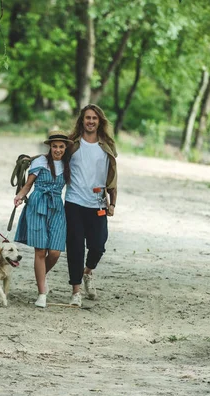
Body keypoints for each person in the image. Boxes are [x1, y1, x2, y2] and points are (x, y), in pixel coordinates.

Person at [65, 104, 118, 307]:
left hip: (97, 203)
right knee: (75, 246)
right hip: (74, 202)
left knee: (98, 245)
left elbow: (113, 176)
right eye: (87, 118)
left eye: (94, 118)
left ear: (100, 121)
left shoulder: (107, 145)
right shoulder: (72, 144)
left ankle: (88, 272)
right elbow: (56, 158)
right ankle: (76, 290)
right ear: (82, 120)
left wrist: (113, 202)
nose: (90, 121)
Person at [13, 132, 72, 308]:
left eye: (61, 146)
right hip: (38, 205)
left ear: (65, 148)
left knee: (55, 252)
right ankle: (42, 293)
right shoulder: (40, 162)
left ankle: (41, 277)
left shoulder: (67, 166)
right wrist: (20, 196)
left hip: (56, 207)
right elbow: (29, 184)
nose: (58, 150)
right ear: (50, 147)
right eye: (55, 146)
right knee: (40, 250)